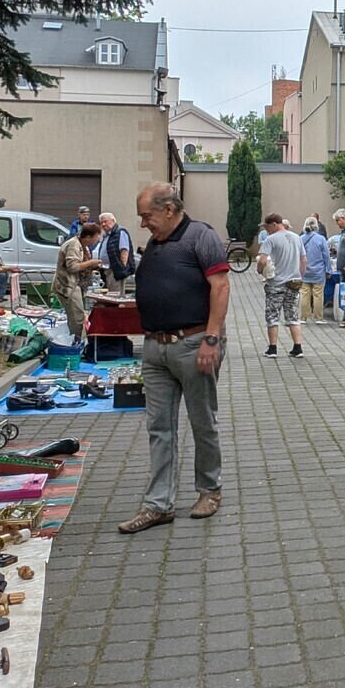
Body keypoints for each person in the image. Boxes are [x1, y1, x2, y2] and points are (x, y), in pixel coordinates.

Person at [118, 182, 231, 534]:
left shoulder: (201, 237)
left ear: (169, 210)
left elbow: (221, 286)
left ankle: (209, 490)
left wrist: (211, 339)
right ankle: (158, 505)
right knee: (159, 428)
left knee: (202, 421)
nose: (142, 224)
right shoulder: (156, 242)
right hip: (155, 349)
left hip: (193, 344)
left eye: (146, 216)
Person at [258, 213, 305, 358]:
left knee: (272, 316)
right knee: (292, 315)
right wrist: (300, 276)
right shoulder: (297, 237)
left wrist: (260, 271)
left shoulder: (270, 239)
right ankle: (298, 347)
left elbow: (262, 260)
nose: (266, 230)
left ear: (274, 224)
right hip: (294, 283)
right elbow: (304, 260)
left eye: (267, 227)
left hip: (276, 283)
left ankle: (273, 348)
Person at [52, 222, 102, 339]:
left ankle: (75, 342)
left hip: (75, 285)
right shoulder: (74, 245)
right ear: (88, 237)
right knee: (77, 318)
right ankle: (74, 345)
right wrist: (91, 263)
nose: (97, 240)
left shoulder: (82, 246)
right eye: (96, 238)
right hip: (68, 286)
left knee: (77, 316)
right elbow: (72, 266)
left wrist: (92, 266)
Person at [300, 218, 331, 325]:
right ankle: (318, 318)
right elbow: (326, 255)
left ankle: (303, 317)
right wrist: (328, 269)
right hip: (318, 271)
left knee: (304, 294)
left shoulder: (301, 239)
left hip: (304, 272)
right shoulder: (321, 239)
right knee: (318, 295)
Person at [98, 212, 135, 297]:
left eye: (105, 221)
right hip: (108, 270)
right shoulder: (107, 235)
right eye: (101, 223)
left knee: (116, 294)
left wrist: (122, 270)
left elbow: (124, 251)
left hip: (116, 271)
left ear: (113, 220)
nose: (103, 224)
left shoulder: (120, 232)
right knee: (111, 293)